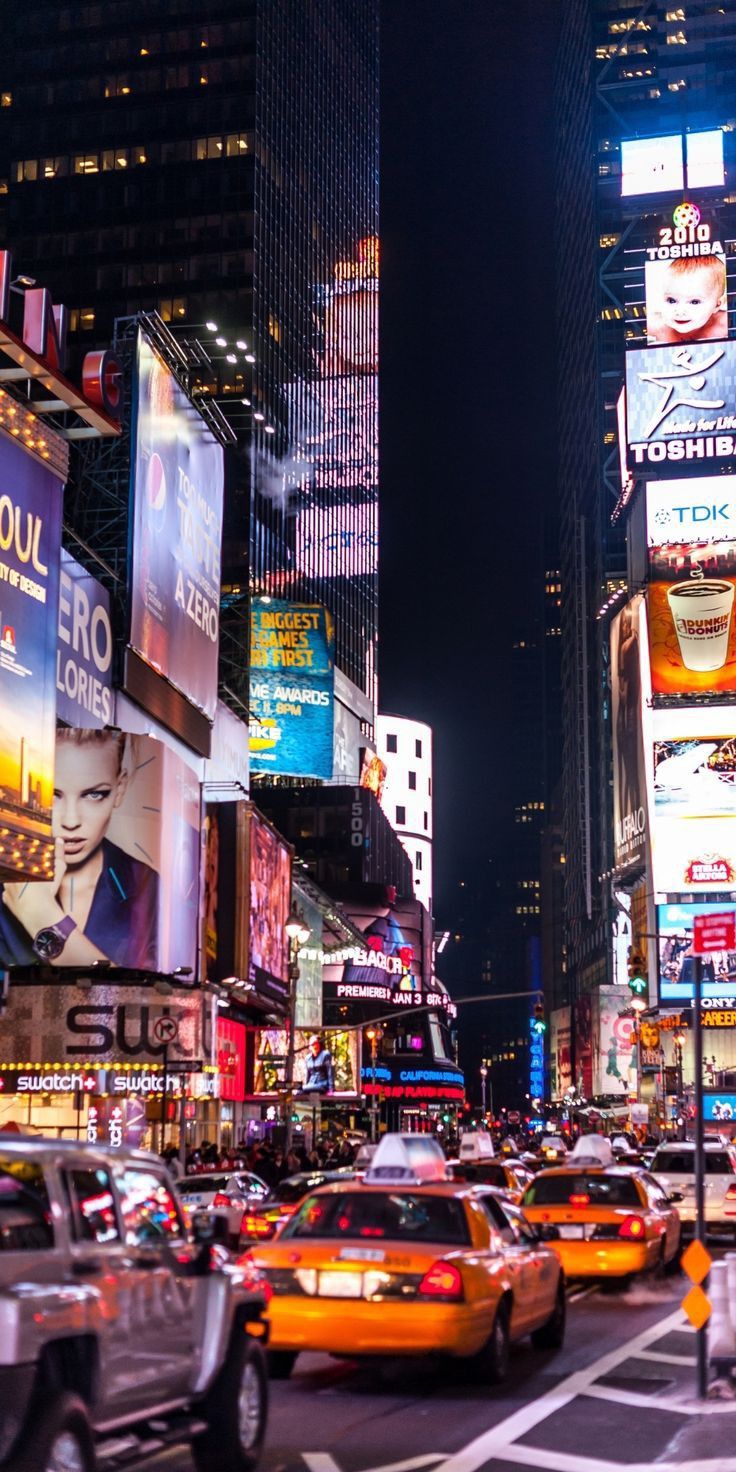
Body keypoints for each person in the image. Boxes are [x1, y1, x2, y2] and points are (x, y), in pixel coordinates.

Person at [0, 728, 158, 969]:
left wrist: (41, 913)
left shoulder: (150, 889)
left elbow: (139, 997)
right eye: (51, 794)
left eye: (94, 794)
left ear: (120, 788)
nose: (71, 821)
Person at [647, 255, 727, 345]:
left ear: (717, 304)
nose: (680, 312)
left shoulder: (724, 324)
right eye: (671, 300)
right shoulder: (655, 326)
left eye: (694, 302)